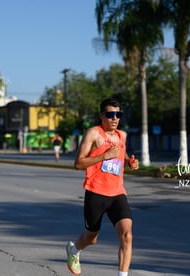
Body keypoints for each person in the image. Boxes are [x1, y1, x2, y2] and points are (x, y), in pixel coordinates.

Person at [66, 98, 139, 276]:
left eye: (118, 115)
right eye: (110, 114)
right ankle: (74, 251)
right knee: (91, 238)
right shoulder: (93, 133)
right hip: (96, 192)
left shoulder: (122, 135)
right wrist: (104, 156)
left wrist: (129, 161)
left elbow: (120, 153)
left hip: (117, 193)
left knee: (127, 235)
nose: (114, 118)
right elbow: (78, 163)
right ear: (101, 115)